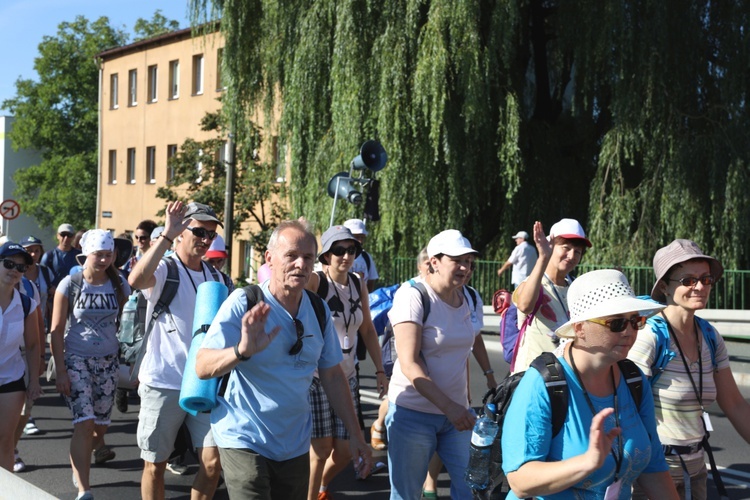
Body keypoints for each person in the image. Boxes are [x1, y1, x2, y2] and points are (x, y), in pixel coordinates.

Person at [195, 219, 373, 499]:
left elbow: (333, 375)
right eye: (291, 255)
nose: (301, 264)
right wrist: (242, 350)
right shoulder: (245, 302)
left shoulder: (318, 309)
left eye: (308, 257)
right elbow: (202, 366)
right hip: (244, 436)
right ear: (270, 258)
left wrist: (357, 436)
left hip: (294, 443)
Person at [502, 269, 679, 499]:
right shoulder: (543, 383)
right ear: (579, 328)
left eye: (636, 321)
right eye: (616, 323)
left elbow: (654, 469)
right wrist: (586, 463)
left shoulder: (634, 380)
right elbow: (520, 481)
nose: (629, 332)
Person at [628, 240, 750, 499]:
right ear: (664, 285)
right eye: (688, 280)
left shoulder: (709, 336)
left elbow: (735, 404)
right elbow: (629, 410)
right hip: (652, 473)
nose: (699, 287)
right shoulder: (650, 336)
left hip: (697, 471)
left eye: (706, 279)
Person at [128, 201, 225, 500]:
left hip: (203, 381)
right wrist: (166, 235)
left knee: (212, 463)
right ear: (183, 231)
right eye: (199, 231)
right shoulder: (166, 267)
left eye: (210, 234)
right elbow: (136, 280)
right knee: (155, 465)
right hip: (163, 381)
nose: (206, 240)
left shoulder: (217, 277)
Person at [386, 229, 482, 500]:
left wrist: (463, 400)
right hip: (413, 415)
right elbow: (409, 363)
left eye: (470, 262)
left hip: (457, 417)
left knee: (471, 487)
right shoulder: (413, 295)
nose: (466, 268)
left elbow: (463, 351)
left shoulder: (468, 297)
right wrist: (450, 407)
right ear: (434, 261)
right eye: (458, 261)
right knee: (407, 494)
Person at [305, 225, 389, 500]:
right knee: (320, 449)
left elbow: (367, 329)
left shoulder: (357, 283)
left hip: (348, 376)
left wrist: (379, 370)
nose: (346, 256)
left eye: (351, 250)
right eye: (339, 250)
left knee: (343, 451)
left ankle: (320, 487)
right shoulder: (318, 282)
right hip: (318, 377)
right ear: (326, 255)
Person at [49, 230, 131, 500]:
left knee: (102, 426)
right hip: (76, 359)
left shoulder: (119, 284)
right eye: (99, 255)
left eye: (109, 255)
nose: (104, 260)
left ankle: (79, 456)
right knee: (84, 424)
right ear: (86, 255)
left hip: (108, 361)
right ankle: (84, 488)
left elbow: (126, 323)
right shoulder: (69, 284)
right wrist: (61, 370)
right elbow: (56, 329)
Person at [511, 219, 591, 374]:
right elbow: (525, 306)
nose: (571, 255)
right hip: (533, 377)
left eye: (578, 251)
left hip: (566, 376)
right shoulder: (533, 283)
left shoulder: (575, 287)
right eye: (566, 248)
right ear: (550, 246)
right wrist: (543, 258)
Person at [0, 242, 42, 472]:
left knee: (5, 441)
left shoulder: (26, 304)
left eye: (21, 267)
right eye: (8, 264)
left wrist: (34, 380)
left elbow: (34, 345)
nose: (15, 270)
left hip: (11, 379)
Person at [343, 219, 379, 292]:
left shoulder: (366, 257)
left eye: (362, 237)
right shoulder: (336, 256)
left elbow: (371, 280)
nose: (360, 241)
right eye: (356, 237)